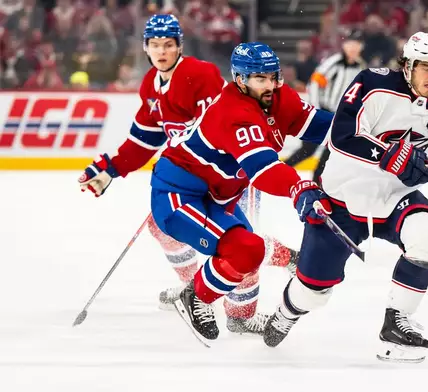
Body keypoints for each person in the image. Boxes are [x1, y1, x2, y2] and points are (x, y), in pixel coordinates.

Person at [261, 32, 428, 363]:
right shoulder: (372, 83)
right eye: (426, 68)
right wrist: (390, 156)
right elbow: (342, 134)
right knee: (313, 292)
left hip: (396, 198)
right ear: (408, 65)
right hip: (341, 199)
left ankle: (396, 323)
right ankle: (286, 312)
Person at [78, 15, 297, 335]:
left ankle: (242, 313)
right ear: (146, 48)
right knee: (163, 226)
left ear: (179, 46)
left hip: (231, 173)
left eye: (168, 45)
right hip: (195, 177)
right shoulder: (152, 84)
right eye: (154, 45)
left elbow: (217, 124)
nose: (162, 51)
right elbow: (144, 138)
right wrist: (111, 168)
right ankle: (194, 290)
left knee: (242, 242)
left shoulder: (200, 74)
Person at [149, 42, 334, 346]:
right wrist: (298, 186)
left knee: (250, 254)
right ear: (240, 80)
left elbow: (322, 127)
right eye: (260, 79)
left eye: (274, 76)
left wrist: (366, 130)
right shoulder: (234, 111)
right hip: (178, 195)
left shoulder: (278, 97)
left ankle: (240, 316)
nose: (271, 85)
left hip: (219, 196)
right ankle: (195, 294)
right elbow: (262, 169)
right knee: (244, 250)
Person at [285, 30, 367, 182]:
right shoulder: (334, 62)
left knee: (330, 152)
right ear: (344, 45)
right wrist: (316, 108)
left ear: (361, 47)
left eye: (356, 45)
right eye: (350, 44)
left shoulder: (360, 67)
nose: (353, 48)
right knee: (308, 149)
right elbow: (315, 82)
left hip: (339, 116)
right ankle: (282, 171)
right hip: (323, 111)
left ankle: (317, 181)